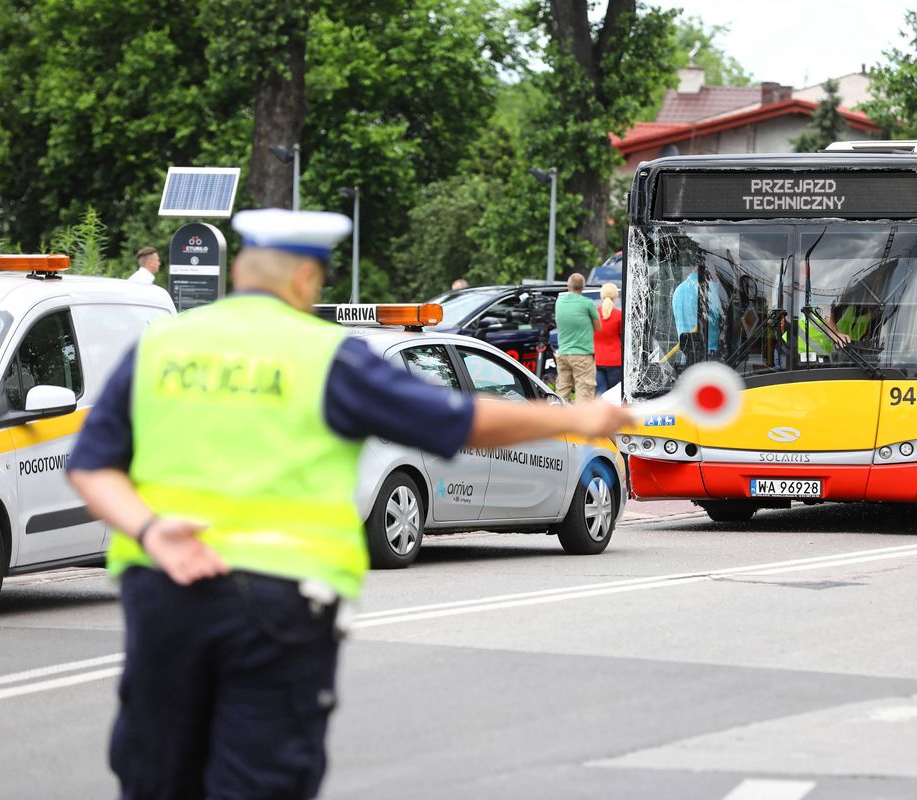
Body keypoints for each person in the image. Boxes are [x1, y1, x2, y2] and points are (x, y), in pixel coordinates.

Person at [66, 208, 631, 800]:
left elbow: (92, 465)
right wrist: (575, 415)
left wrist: (152, 530)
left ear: (239, 269)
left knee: (155, 777)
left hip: (163, 589)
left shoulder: (163, 348)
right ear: (307, 279)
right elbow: (457, 419)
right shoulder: (324, 357)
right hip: (277, 598)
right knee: (258, 782)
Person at [553, 272, 600, 401]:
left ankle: (557, 418)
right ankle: (583, 421)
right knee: (584, 391)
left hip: (563, 353)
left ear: (568, 286)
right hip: (582, 355)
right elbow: (598, 327)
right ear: (583, 287)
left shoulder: (559, 303)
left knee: (562, 390)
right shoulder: (587, 304)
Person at [593, 282, 622, 395]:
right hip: (615, 361)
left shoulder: (594, 314)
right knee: (614, 395)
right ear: (616, 297)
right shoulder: (619, 315)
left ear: (601, 296)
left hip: (597, 359)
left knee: (600, 393)